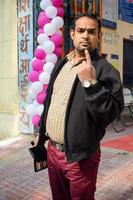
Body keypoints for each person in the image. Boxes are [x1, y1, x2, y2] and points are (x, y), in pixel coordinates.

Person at [36, 13, 124, 200]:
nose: (85, 36)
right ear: (72, 34)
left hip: (80, 158)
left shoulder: (106, 71)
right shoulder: (62, 64)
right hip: (52, 152)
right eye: (81, 31)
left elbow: (110, 114)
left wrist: (91, 83)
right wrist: (42, 133)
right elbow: (51, 101)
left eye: (91, 32)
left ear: (98, 37)